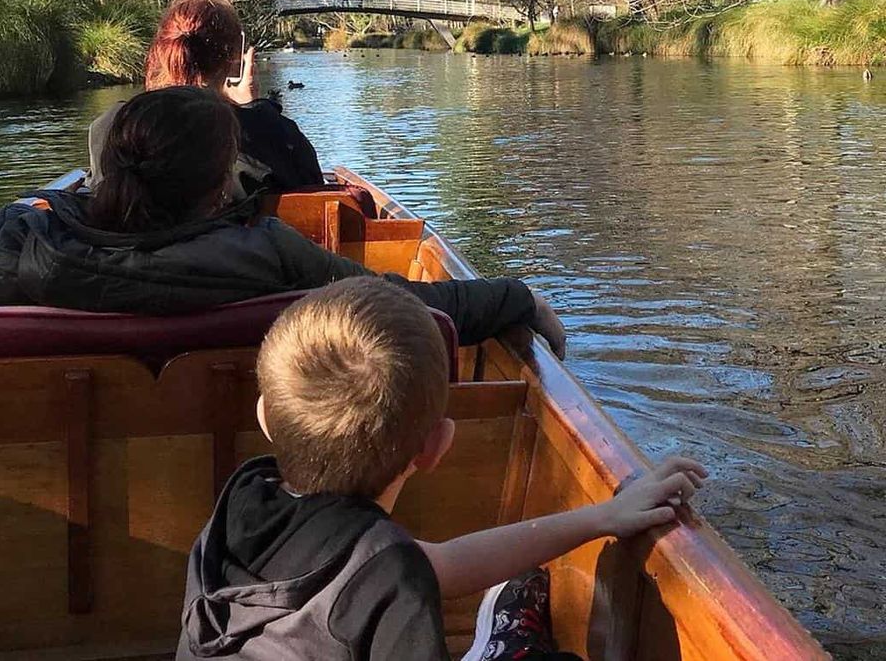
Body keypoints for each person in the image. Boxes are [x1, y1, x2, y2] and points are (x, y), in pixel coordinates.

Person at [177, 279, 706, 661]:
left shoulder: (242, 501)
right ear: (436, 447)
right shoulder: (385, 578)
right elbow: (405, 570)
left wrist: (603, 517)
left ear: (265, 416)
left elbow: (432, 565)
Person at [0, 89, 566, 356]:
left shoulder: (13, 244)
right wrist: (517, 295)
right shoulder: (266, 254)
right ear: (218, 188)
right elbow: (401, 304)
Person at [88, 0, 322, 196]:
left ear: (162, 50)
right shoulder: (274, 133)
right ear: (234, 59)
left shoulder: (109, 126)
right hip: (235, 247)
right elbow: (311, 190)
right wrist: (253, 115)